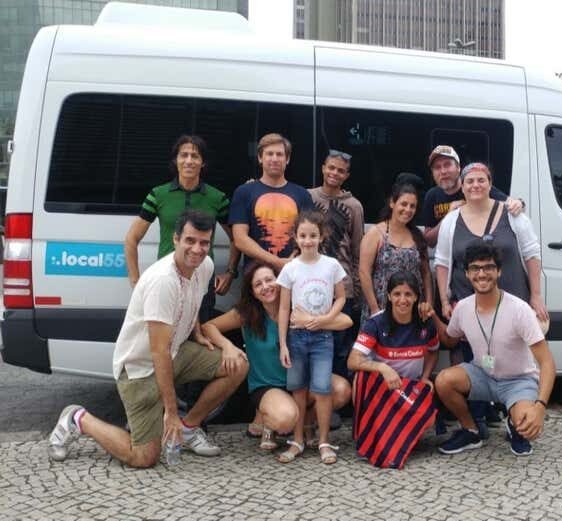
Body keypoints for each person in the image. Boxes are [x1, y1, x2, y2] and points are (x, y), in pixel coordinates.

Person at [48, 210, 248, 468]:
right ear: (175, 239)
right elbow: (158, 352)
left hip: (176, 352)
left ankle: (189, 428)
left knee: (238, 365)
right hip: (139, 369)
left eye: (204, 242)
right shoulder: (163, 281)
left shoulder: (205, 266)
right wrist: (171, 414)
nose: (197, 249)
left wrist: (196, 330)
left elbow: (193, 299)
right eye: (190, 240)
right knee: (144, 458)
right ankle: (77, 418)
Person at [201, 261, 352, 457]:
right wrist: (228, 346)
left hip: (301, 383)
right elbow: (208, 327)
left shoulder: (296, 305)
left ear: (281, 282)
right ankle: (269, 421)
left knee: (342, 390)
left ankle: (306, 422)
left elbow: (346, 321)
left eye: (269, 280)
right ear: (252, 291)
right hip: (268, 385)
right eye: (258, 284)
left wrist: (309, 320)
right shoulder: (247, 314)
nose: (265, 287)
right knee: (284, 418)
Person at [428, 242, 556, 456]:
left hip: (518, 380)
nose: (482, 274)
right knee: (443, 380)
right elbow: (449, 340)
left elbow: (547, 363)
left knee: (528, 425)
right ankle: (471, 430)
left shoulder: (520, 310)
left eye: (488, 267)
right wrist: (432, 316)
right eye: (475, 268)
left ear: (499, 271)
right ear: (467, 274)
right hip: (483, 375)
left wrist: (540, 407)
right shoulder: (463, 308)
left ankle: (515, 424)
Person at [124, 135, 240, 322]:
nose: (189, 161)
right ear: (175, 160)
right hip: (166, 277)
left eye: (195, 156)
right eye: (183, 155)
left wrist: (230, 272)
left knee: (199, 334)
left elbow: (237, 237)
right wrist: (136, 281)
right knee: (164, 337)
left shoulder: (217, 198)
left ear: (203, 163)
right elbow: (131, 239)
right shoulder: (158, 194)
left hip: (202, 278)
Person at [435, 162, 548, 322]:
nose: (475, 185)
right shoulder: (451, 220)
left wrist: (536, 296)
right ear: (462, 186)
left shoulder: (513, 215)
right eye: (470, 181)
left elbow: (532, 254)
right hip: (469, 313)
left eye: (481, 180)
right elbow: (442, 263)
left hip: (513, 310)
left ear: (490, 184)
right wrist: (444, 301)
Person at [277, 211, 347, 464]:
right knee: (298, 388)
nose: (308, 241)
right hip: (296, 337)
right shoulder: (290, 269)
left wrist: (327, 318)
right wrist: (283, 343)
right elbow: (284, 308)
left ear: (322, 236)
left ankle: (324, 441)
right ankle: (297, 439)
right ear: (295, 237)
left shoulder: (331, 265)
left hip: (322, 338)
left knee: (322, 389)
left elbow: (341, 296)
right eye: (303, 235)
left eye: (313, 235)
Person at [308, 149, 365, 380]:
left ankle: (336, 403)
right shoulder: (306, 197)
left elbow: (357, 250)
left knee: (339, 348)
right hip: (310, 283)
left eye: (340, 171)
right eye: (331, 168)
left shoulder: (354, 206)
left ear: (347, 175)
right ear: (323, 168)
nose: (334, 173)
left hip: (343, 287)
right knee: (310, 344)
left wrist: (358, 289)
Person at [229, 133, 314, 273]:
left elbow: (311, 236)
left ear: (287, 159)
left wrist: (292, 262)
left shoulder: (303, 195)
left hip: (295, 274)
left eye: (279, 154)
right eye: (269, 154)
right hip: (256, 278)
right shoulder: (243, 192)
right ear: (260, 158)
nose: (274, 159)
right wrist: (278, 262)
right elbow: (240, 239)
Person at [359, 180, 433, 325]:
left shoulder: (417, 236)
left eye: (412, 206)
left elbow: (426, 274)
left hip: (412, 309)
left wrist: (428, 303)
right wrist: (375, 310)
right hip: (381, 308)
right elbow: (364, 272)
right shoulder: (376, 233)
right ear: (392, 203)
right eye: (404, 204)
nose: (408, 209)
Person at [348, 270, 439, 387]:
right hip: (384, 386)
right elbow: (352, 360)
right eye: (397, 294)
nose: (402, 300)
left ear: (416, 297)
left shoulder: (425, 321)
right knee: (359, 378)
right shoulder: (375, 323)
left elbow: (433, 350)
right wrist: (382, 368)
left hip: (413, 387)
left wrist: (425, 377)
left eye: (408, 294)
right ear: (389, 296)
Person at [422, 145, 523, 248]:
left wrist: (519, 203)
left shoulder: (475, 188)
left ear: (458, 168)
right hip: (452, 257)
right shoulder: (432, 196)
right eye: (437, 167)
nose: (443, 171)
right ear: (433, 173)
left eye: (447, 165)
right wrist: (448, 217)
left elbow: (512, 203)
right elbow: (429, 242)